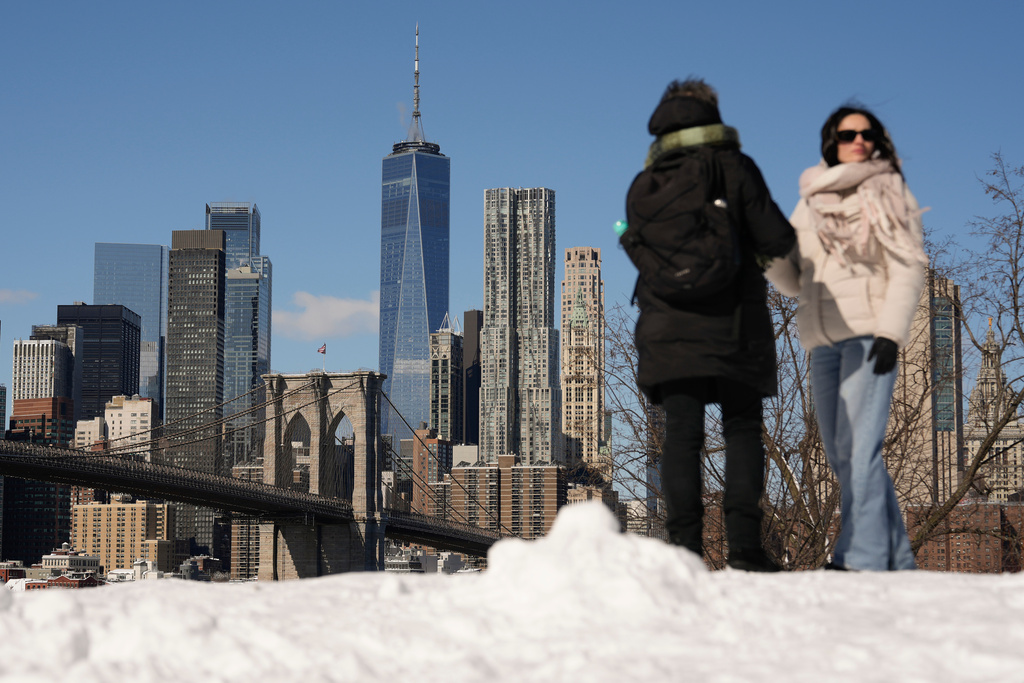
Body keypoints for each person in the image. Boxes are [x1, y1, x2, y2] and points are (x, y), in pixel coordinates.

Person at [631, 79, 796, 572]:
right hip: (734, 324)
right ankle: (745, 549)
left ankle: (684, 552)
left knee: (682, 436)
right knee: (742, 428)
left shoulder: (644, 185)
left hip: (666, 332)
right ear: (712, 117)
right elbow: (778, 238)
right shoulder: (735, 168)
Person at [766, 105, 927, 571]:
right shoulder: (811, 198)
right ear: (830, 141)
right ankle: (897, 556)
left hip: (866, 337)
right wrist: (768, 256)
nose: (858, 139)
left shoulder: (888, 190)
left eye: (867, 132)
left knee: (860, 450)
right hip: (822, 343)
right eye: (847, 133)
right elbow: (795, 280)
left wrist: (891, 333)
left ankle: (862, 557)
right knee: (842, 455)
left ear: (878, 139)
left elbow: (908, 265)